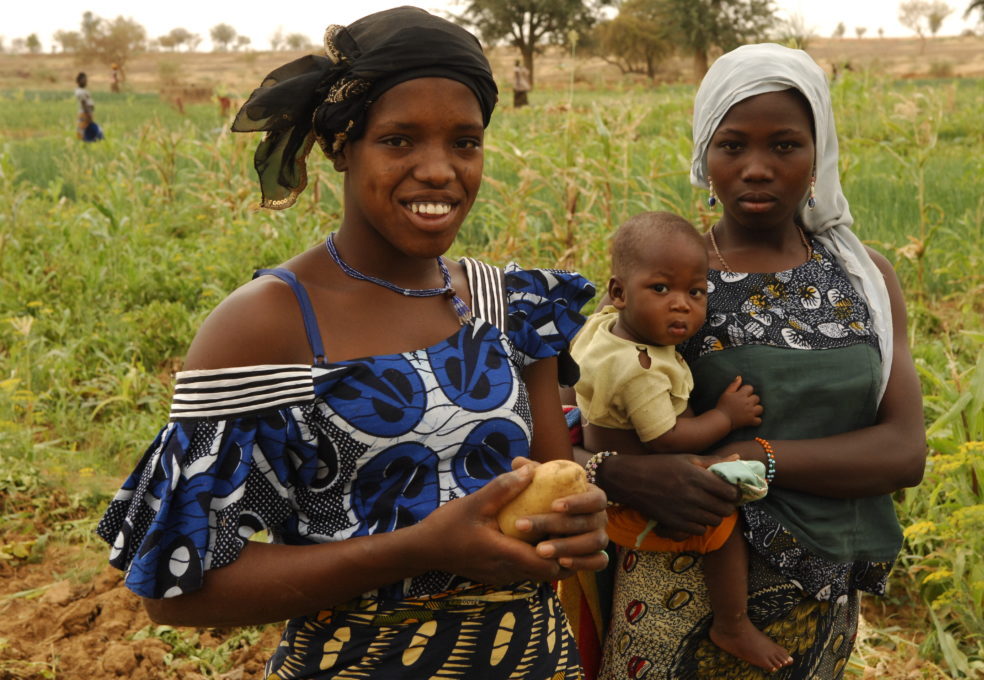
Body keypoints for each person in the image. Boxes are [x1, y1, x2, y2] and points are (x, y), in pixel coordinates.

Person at [95, 8, 608, 679]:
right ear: (341, 148)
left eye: (465, 142)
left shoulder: (508, 306)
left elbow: (554, 490)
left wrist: (577, 525)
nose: (438, 170)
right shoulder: (269, 324)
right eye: (398, 141)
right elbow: (175, 591)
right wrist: (419, 550)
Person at [582, 43, 927, 679]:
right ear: (704, 155)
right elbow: (582, 417)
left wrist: (753, 458)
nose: (757, 168)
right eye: (733, 145)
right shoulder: (671, 277)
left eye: (785, 146)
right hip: (678, 582)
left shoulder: (863, 278)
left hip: (820, 591)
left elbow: (904, 453)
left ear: (818, 153)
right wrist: (611, 471)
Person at [570, 211, 790, 673]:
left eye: (696, 292)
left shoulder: (602, 328)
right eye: (661, 289)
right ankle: (731, 622)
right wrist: (724, 417)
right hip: (645, 493)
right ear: (618, 292)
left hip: (608, 467)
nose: (681, 306)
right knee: (725, 525)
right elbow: (668, 439)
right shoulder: (641, 370)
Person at [74, 72, 103, 142]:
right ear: (78, 82)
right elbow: (83, 103)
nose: (85, 81)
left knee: (86, 128)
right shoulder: (80, 92)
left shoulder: (83, 90)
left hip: (87, 112)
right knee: (84, 129)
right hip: (85, 113)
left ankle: (87, 141)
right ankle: (86, 141)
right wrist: (88, 113)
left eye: (86, 79)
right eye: (83, 80)